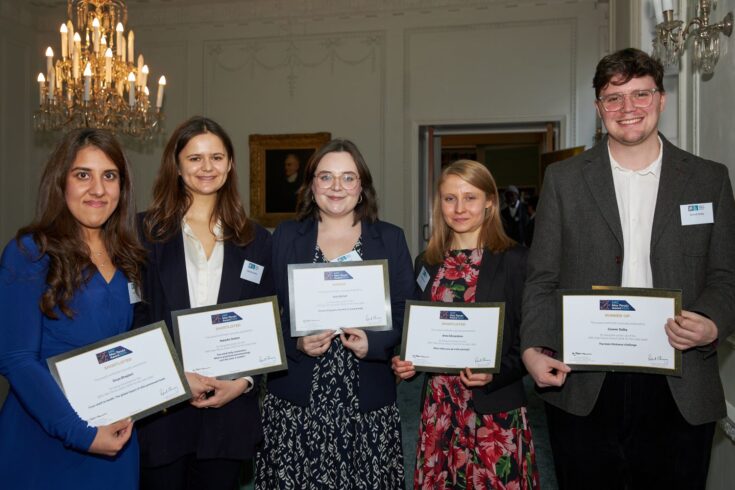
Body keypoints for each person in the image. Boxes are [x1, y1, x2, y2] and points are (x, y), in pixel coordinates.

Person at [521, 48, 735, 489]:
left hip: (679, 381)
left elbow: (725, 274)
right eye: (614, 98)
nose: (628, 108)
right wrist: (533, 349)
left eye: (640, 94)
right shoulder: (564, 180)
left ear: (661, 99)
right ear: (599, 109)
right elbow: (542, 277)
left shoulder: (708, 179)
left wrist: (713, 323)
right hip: (585, 381)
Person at [255, 138, 414, 489]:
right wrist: (295, 342)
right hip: (296, 404)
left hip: (366, 405)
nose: (337, 187)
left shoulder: (389, 238)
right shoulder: (283, 237)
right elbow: (263, 313)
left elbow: (408, 312)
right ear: (311, 186)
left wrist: (373, 343)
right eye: (326, 177)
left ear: (362, 187)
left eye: (348, 177)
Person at [0, 128, 145, 489]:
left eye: (109, 176)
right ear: (60, 182)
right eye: (83, 175)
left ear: (121, 188)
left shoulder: (129, 257)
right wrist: (81, 434)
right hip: (47, 439)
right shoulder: (30, 253)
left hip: (116, 439)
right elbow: (16, 359)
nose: (98, 189)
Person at [134, 116, 274, 490]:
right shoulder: (143, 233)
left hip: (228, 411)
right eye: (195, 158)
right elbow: (135, 318)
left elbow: (265, 321)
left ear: (229, 165)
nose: (206, 167)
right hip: (163, 410)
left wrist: (244, 383)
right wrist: (174, 377)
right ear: (177, 166)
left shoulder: (256, 239)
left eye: (216, 157)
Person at [392, 160, 539, 489]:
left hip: (494, 410)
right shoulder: (427, 262)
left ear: (489, 201)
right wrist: (406, 361)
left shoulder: (517, 260)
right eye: (449, 199)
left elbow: (531, 340)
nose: (459, 208)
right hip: (440, 410)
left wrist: (497, 370)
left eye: (470, 198)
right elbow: (417, 329)